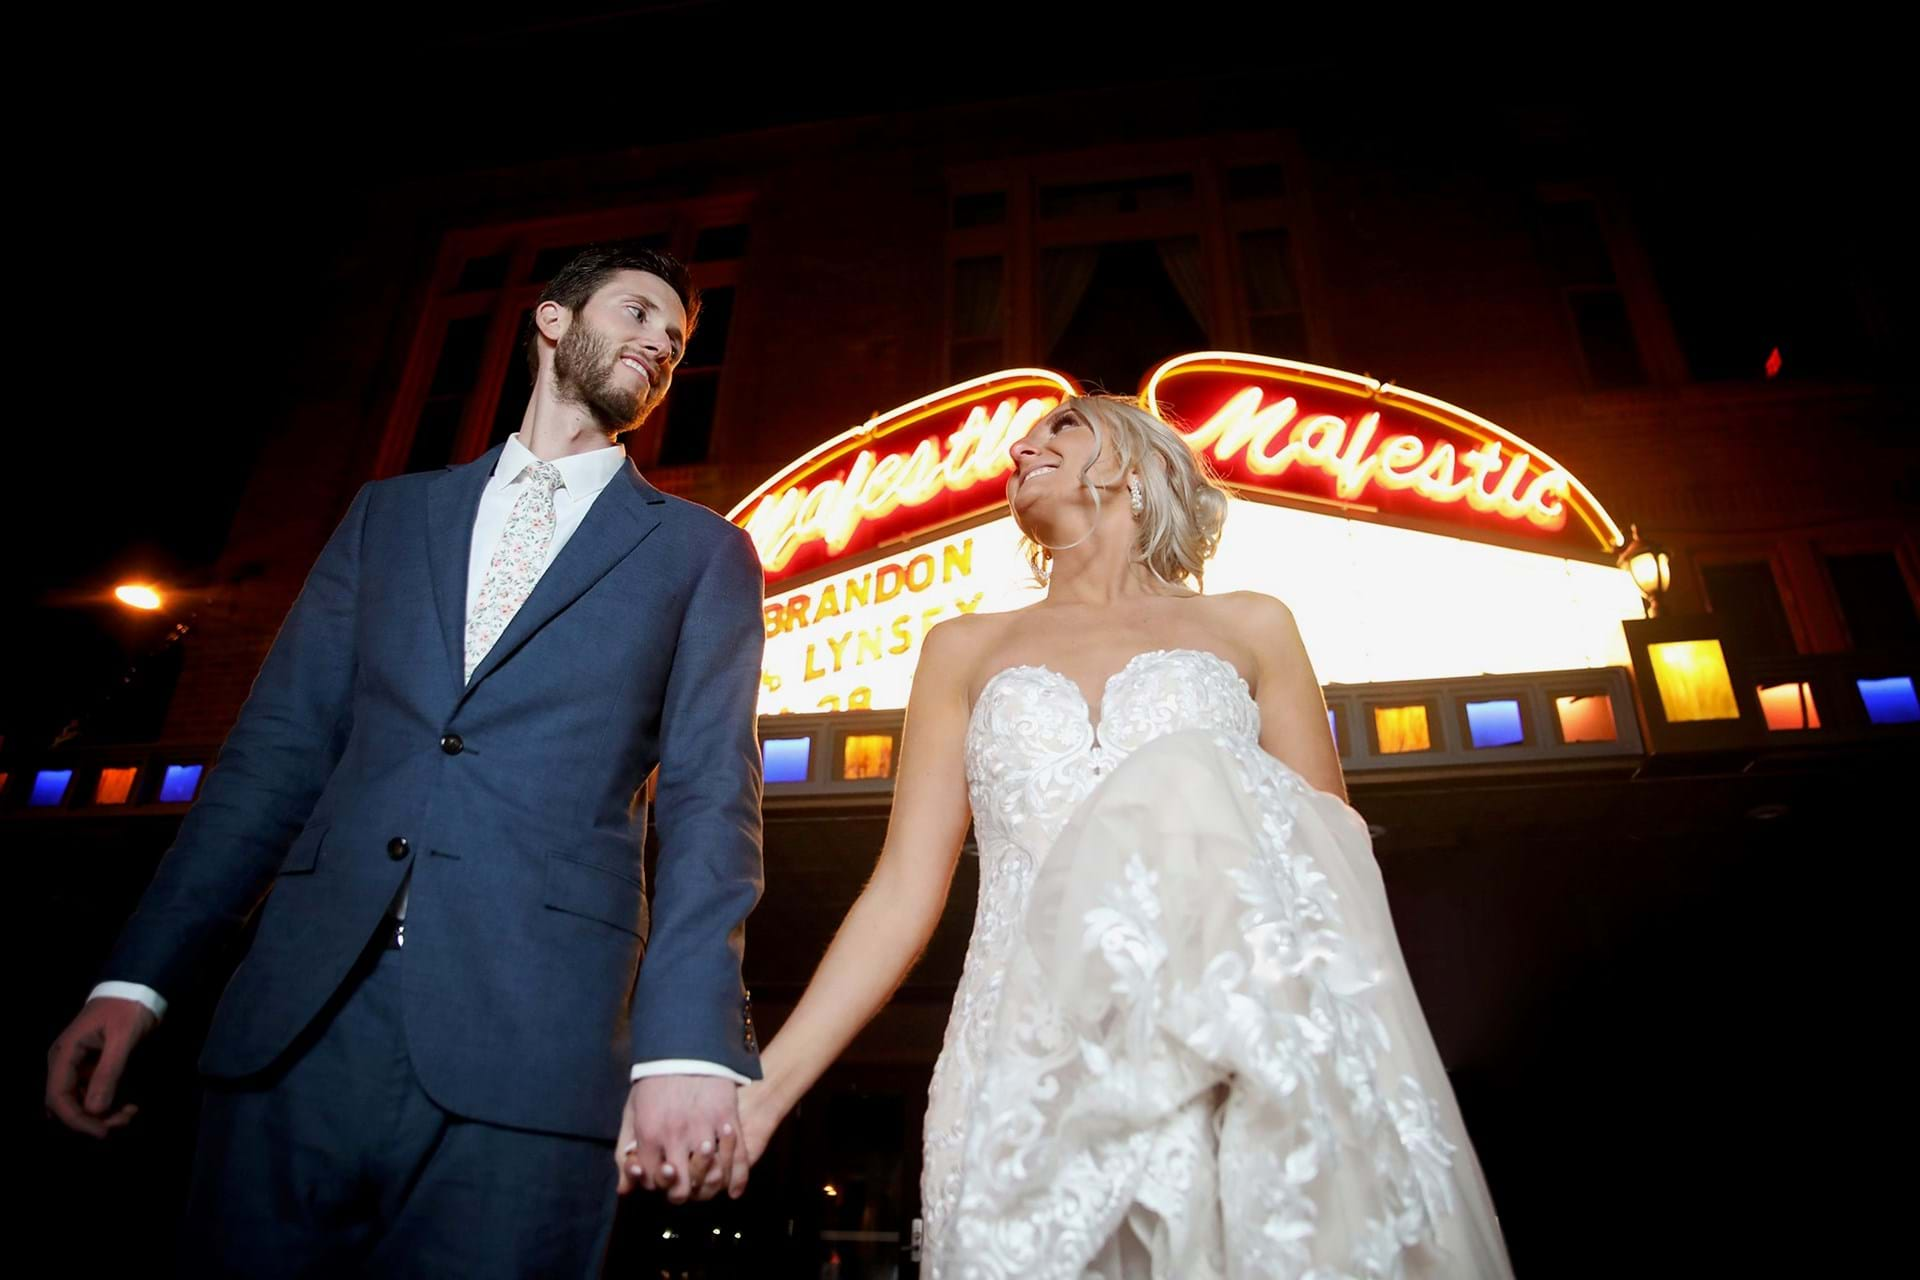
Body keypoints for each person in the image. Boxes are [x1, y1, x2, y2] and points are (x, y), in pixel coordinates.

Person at [44, 242, 767, 1276]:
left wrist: (689, 1043)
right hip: (294, 1030)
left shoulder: (700, 553)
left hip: (533, 1044)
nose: (663, 342)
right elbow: (275, 756)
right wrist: (137, 978)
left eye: (679, 338)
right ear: (554, 323)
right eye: (641, 311)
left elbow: (710, 804)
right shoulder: (388, 514)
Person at [735, 394, 1513, 1277]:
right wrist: (768, 1088)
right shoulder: (962, 647)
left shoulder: (1252, 626)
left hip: (1228, 1040)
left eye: (1061, 427)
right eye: (1026, 438)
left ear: (1138, 469)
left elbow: (1331, 865)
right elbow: (903, 891)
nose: (1023, 446)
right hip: (1025, 1048)